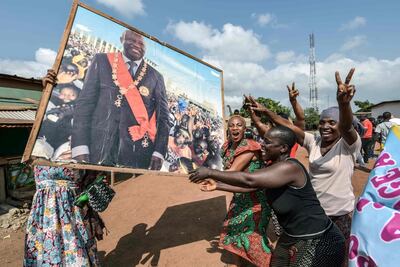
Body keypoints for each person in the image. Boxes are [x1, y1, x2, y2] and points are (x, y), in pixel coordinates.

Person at [246, 69, 361, 265]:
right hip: (314, 215)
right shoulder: (314, 142)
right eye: (322, 122)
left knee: (337, 259)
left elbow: (348, 127)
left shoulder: (349, 145)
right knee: (309, 259)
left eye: (332, 123)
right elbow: (289, 127)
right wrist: (265, 112)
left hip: (340, 214)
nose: (325, 126)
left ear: (340, 125)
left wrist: (344, 103)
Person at [190, 126, 345, 267]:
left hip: (319, 239)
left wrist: (210, 172)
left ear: (283, 148)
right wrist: (217, 185)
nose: (261, 145)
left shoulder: (290, 167)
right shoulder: (273, 168)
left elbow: (249, 179)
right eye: (263, 140)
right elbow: (252, 186)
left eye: (268, 142)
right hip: (292, 235)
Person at [71, 29, 170, 170]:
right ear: (121, 40)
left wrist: (159, 152)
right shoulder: (102, 60)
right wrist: (80, 146)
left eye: (141, 43)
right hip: (97, 147)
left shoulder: (156, 77)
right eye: (132, 40)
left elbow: (164, 119)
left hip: (137, 155)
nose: (136, 45)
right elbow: (85, 104)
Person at [199, 115, 272, 267]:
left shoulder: (250, 147)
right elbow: (219, 168)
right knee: (234, 234)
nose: (235, 128)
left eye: (239, 125)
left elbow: (231, 173)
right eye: (232, 125)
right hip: (239, 198)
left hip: (256, 201)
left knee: (252, 238)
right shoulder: (226, 147)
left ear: (244, 129)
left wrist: (212, 178)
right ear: (228, 129)